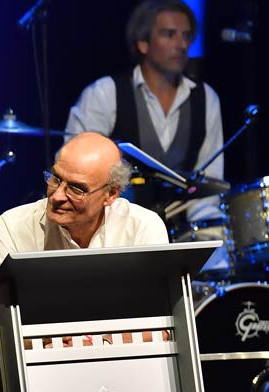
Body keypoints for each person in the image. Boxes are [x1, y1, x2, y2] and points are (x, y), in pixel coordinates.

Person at [0, 132, 169, 347]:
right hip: (37, 369)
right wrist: (60, 342)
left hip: (123, 368)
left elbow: (161, 329)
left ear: (111, 194)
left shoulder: (142, 227)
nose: (57, 196)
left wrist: (95, 345)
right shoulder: (13, 227)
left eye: (76, 188)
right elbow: (1, 331)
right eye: (55, 179)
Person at [65, 0, 224, 227]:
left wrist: (206, 238)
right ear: (142, 43)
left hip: (181, 233)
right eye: (169, 34)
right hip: (115, 231)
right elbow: (76, 172)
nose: (181, 44)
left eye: (186, 36)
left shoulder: (206, 98)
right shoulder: (105, 93)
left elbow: (209, 186)